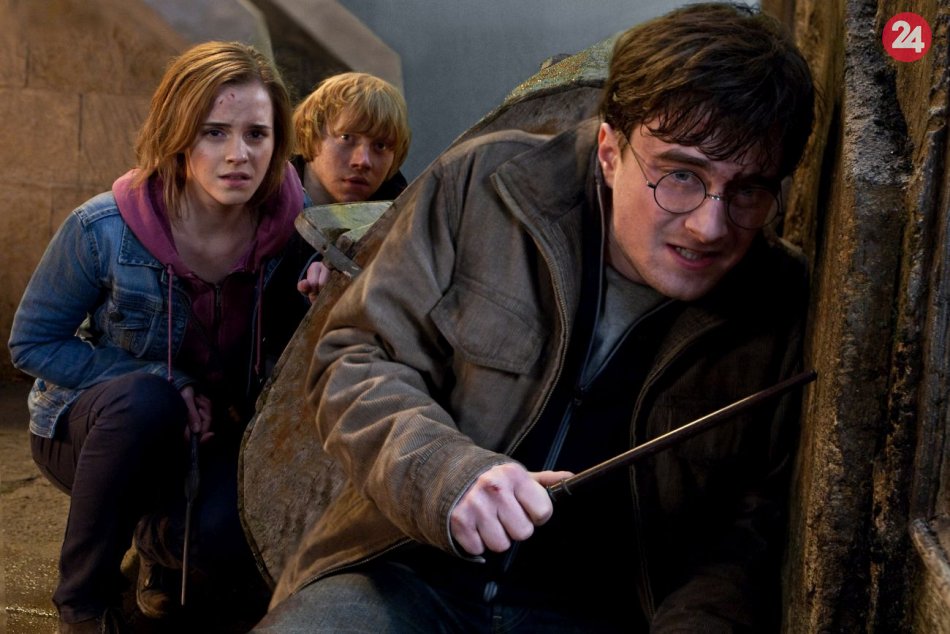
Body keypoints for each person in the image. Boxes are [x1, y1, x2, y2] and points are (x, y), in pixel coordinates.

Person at [255, 2, 816, 632]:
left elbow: (745, 533)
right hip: (401, 571)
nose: (709, 226)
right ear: (610, 150)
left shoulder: (778, 296)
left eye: (748, 190)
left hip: (599, 618)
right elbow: (357, 357)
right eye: (681, 175)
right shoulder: (483, 185)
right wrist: (445, 474)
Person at [9, 41, 318, 633]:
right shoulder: (102, 228)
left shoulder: (297, 231)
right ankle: (84, 603)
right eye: (214, 132)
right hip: (102, 435)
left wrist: (329, 285)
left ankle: (159, 542)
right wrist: (164, 377)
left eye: (257, 134)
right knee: (144, 401)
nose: (239, 154)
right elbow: (32, 344)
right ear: (177, 134)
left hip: (214, 438)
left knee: (225, 545)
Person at [292, 71, 411, 296]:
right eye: (346, 138)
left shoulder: (407, 228)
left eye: (380, 146)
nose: (363, 161)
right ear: (313, 134)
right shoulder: (260, 201)